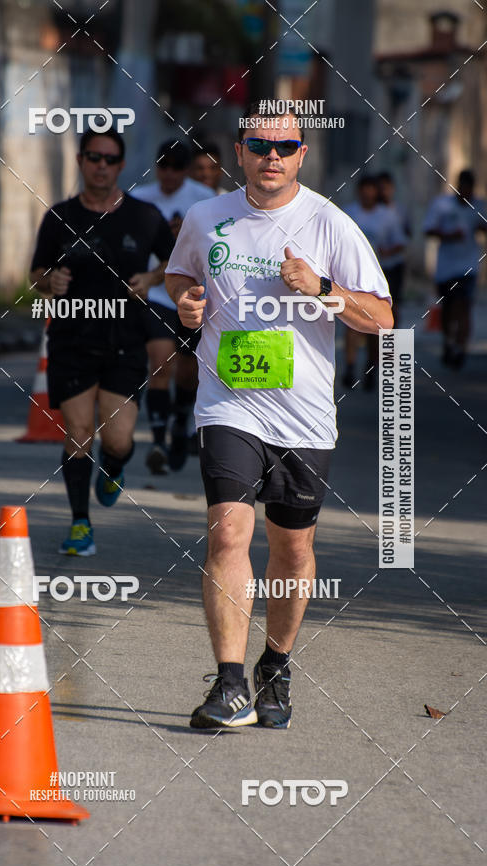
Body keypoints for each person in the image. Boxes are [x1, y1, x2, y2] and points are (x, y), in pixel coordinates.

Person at [165, 102, 393, 729]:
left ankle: (276, 664)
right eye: (259, 145)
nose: (272, 157)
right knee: (228, 533)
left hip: (304, 415)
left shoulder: (329, 223)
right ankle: (230, 682)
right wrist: (185, 301)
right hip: (228, 401)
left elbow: (383, 319)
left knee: (292, 552)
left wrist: (322, 289)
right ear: (238, 151)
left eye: (285, 147)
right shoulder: (206, 215)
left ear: (301, 156)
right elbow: (178, 273)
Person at [30, 127, 174, 556]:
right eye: (94, 157)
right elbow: (36, 273)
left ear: (121, 166)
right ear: (80, 161)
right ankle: (79, 524)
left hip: (125, 343)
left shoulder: (145, 216)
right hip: (72, 340)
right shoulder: (59, 216)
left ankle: (113, 467)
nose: (101, 166)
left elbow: (175, 259)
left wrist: (151, 278)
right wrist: (48, 281)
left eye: (110, 159)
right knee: (77, 432)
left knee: (118, 440)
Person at [131, 141, 215, 474]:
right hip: (158, 295)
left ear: (186, 169)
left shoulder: (205, 200)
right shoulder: (141, 198)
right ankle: (158, 441)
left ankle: (181, 421)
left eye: (176, 168)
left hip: (194, 295)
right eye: (163, 167)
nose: (168, 175)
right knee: (160, 365)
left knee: (188, 371)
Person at [343, 175, 406, 389]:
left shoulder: (387, 216)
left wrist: (386, 251)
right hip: (353, 277)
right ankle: (350, 368)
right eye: (363, 190)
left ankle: (371, 367)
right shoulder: (348, 213)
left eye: (371, 191)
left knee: (375, 327)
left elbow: (400, 243)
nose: (367, 195)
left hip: (383, 275)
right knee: (351, 323)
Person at [424, 169, 487, 369]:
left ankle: (461, 348)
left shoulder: (479, 207)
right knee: (449, 307)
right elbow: (428, 229)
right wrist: (448, 235)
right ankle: (448, 343)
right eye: (463, 187)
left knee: (464, 305)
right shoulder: (442, 205)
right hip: (446, 267)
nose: (466, 192)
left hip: (468, 266)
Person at [376, 171, 410, 328]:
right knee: (377, 309)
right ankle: (379, 351)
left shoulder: (399, 210)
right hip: (377, 267)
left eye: (386, 188)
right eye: (380, 188)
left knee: (395, 306)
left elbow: (406, 236)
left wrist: (389, 251)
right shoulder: (370, 211)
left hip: (395, 265)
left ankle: (398, 349)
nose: (383, 192)